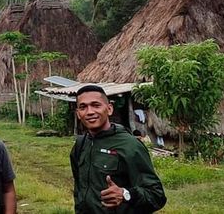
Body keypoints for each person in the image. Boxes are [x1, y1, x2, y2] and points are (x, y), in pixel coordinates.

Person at [71, 85, 166, 213]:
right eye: (83, 107)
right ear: (78, 113)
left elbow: (156, 196)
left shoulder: (130, 146)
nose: (90, 112)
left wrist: (125, 194)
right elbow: (79, 190)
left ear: (109, 109)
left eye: (96, 105)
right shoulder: (81, 144)